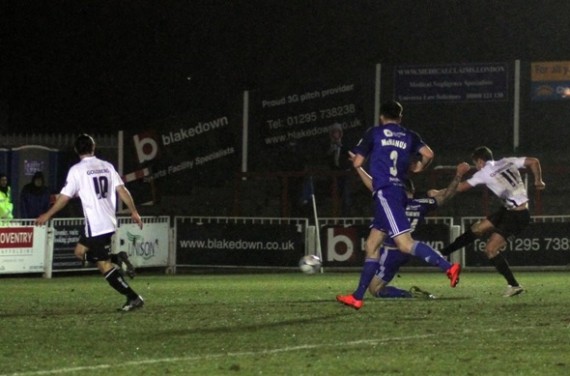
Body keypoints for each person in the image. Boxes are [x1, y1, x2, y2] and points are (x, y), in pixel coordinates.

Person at [336, 100, 461, 310]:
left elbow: (357, 162)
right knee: (372, 245)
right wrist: (419, 166)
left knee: (404, 243)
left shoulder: (374, 133)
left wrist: (363, 160)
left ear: (381, 117)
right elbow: (428, 154)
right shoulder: (409, 135)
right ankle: (357, 296)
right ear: (400, 118)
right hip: (397, 191)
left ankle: (449, 267)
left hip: (387, 192)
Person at [35, 134, 144, 311]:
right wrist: (134, 211)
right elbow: (122, 190)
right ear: (93, 148)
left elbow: (64, 198)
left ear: (76, 150)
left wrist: (48, 215)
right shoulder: (107, 166)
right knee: (79, 252)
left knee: (104, 266)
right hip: (106, 222)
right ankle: (118, 258)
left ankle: (133, 298)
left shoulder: (77, 170)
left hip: (96, 226)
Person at [350, 157, 470, 299]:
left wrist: (358, 168)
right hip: (405, 251)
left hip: (390, 251)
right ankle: (443, 270)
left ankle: (409, 294)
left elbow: (373, 185)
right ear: (412, 190)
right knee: (377, 283)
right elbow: (447, 195)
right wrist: (458, 175)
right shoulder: (421, 203)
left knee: (375, 289)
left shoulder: (392, 202)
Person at [438, 146, 545, 297]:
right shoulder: (508, 161)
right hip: (510, 210)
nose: (476, 166)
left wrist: (439, 192)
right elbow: (534, 161)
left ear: (480, 161)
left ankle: (514, 285)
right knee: (477, 228)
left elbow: (459, 188)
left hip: (517, 216)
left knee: (490, 250)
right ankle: (443, 253)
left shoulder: (483, 172)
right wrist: (538, 181)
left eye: (475, 163)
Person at [327, 123, 352, 216]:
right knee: (335, 197)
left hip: (345, 174)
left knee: (346, 197)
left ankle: (346, 217)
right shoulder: (329, 145)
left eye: (337, 132)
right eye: (333, 133)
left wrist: (340, 146)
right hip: (334, 175)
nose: (335, 135)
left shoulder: (346, 143)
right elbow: (327, 158)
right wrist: (331, 150)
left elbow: (349, 155)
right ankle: (335, 217)